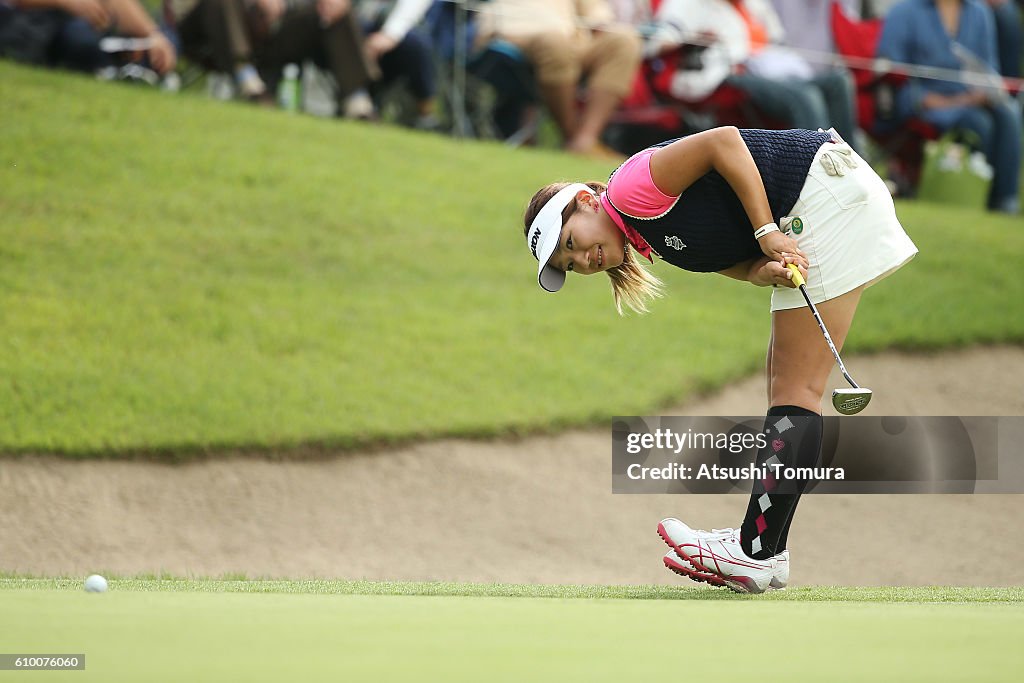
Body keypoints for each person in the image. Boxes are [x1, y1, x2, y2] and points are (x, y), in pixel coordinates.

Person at [520, 126, 918, 592]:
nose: (583, 259)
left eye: (570, 242)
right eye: (570, 265)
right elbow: (733, 260)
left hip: (823, 195)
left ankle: (754, 551)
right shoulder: (650, 231)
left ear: (587, 202)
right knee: (787, 386)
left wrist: (767, 230)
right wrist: (759, 271)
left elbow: (722, 142)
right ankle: (769, 550)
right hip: (827, 195)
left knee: (796, 390)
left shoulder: (630, 189)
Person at [646, 0, 860, 146]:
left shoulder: (754, 4)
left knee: (838, 81)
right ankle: (815, 172)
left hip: (772, 69)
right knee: (806, 95)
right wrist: (688, 37)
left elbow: (777, 38)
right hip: (728, 74)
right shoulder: (690, 4)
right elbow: (660, 37)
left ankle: (854, 166)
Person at [876, 0, 1022, 214]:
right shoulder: (903, 11)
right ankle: (983, 196)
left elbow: (989, 66)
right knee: (980, 123)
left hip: (972, 98)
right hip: (926, 103)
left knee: (1010, 113)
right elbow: (890, 69)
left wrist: (985, 91)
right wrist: (929, 99)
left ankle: (1005, 201)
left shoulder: (980, 12)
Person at [477, 0, 642, 156]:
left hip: (572, 39)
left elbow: (598, 17)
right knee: (554, 40)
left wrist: (599, 21)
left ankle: (586, 139)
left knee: (624, 39)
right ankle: (573, 138)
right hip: (512, 38)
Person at [0, 0, 176, 76]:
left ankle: (130, 68)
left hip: (77, 25)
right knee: (81, 38)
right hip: (29, 21)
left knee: (169, 41)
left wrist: (152, 34)